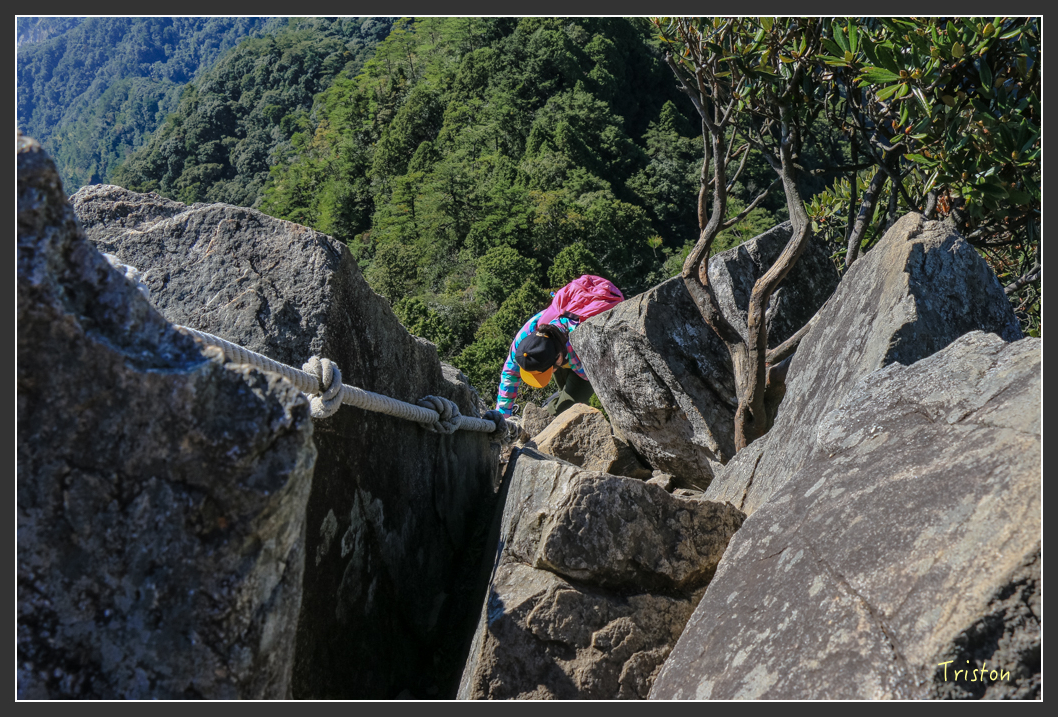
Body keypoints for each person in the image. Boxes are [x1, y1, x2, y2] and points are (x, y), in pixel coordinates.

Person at [493, 275, 624, 421]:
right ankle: (555, 402)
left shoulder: (579, 348)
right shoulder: (529, 332)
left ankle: (550, 415)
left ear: (558, 358)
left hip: (587, 360)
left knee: (567, 410)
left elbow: (597, 379)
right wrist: (502, 417)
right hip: (560, 351)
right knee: (564, 395)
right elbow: (509, 374)